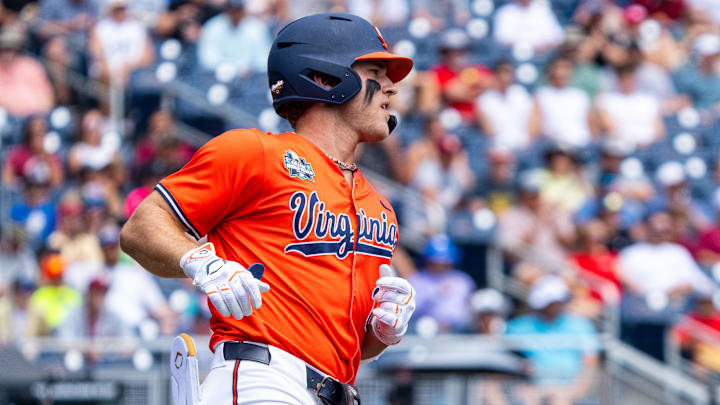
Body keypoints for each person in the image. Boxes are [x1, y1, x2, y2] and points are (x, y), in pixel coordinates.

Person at [120, 13, 417, 405]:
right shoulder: (254, 152)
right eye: (376, 71)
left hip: (335, 392)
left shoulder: (380, 208)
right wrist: (202, 263)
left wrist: (383, 330)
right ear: (325, 78)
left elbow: (354, 348)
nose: (392, 88)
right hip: (261, 380)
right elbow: (140, 228)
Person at [505, 275, 599, 405]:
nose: (550, 307)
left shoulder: (580, 325)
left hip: (570, 391)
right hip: (530, 388)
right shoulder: (518, 326)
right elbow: (508, 359)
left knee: (559, 400)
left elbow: (590, 364)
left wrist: (575, 392)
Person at [408, 234, 475, 332]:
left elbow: (469, 313)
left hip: (459, 331)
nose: (440, 265)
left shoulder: (463, 280)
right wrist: (434, 295)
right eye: (436, 262)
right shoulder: (416, 280)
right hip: (423, 330)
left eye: (445, 262)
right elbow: (409, 312)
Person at [196, 0, 272, 75]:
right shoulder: (212, 27)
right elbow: (206, 58)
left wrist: (249, 68)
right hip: (218, 76)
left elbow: (264, 58)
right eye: (232, 9)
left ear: (243, 10)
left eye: (238, 9)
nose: (235, 13)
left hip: (250, 77)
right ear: (226, 10)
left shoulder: (257, 28)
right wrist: (225, 67)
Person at [534, 57, 594, 148]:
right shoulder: (542, 94)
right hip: (554, 146)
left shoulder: (580, 95)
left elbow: (592, 126)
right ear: (551, 70)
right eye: (559, 68)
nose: (562, 73)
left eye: (566, 68)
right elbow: (535, 126)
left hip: (581, 145)